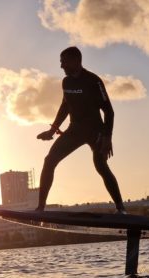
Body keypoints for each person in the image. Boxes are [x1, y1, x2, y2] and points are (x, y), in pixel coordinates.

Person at [36, 46, 126, 213]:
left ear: (76, 61)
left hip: (96, 132)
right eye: (60, 62)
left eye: (64, 62)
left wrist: (107, 137)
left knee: (100, 166)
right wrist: (52, 130)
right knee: (49, 161)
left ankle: (121, 209)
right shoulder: (66, 82)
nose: (61, 66)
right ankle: (40, 208)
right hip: (75, 131)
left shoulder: (93, 81)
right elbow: (65, 106)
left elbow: (109, 111)